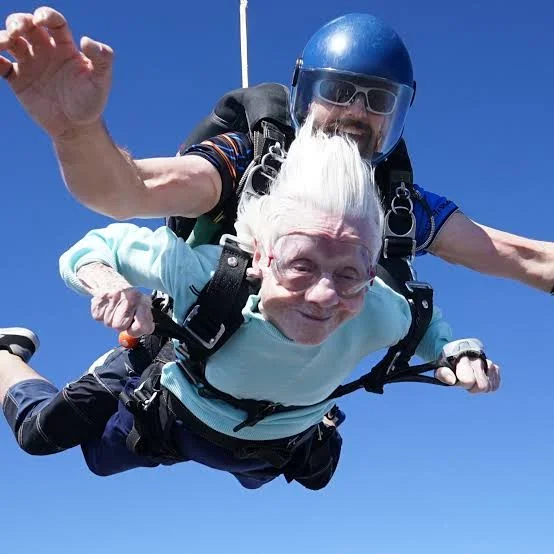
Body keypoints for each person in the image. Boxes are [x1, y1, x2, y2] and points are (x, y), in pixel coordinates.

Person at [0, 126, 500, 489]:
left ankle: (308, 424)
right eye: (301, 265)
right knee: (52, 438)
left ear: (371, 275)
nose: (325, 296)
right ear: (260, 255)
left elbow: (422, 318)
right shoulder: (204, 272)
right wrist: (110, 284)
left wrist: (458, 349)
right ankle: (6, 353)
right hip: (174, 415)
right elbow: (89, 249)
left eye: (348, 275)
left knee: (316, 474)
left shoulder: (377, 309)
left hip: (275, 443)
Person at [1, 8, 552, 292]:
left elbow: (522, 258)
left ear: (400, 112)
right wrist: (76, 133)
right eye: (337, 92)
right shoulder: (249, 161)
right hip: (193, 362)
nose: (357, 112)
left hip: (287, 413)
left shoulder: (400, 207)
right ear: (303, 95)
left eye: (379, 99)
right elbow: (130, 191)